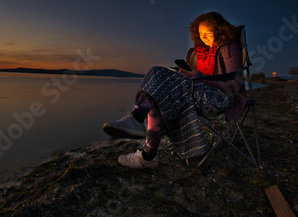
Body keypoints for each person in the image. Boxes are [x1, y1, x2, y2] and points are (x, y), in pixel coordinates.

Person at [103, 12, 248, 169]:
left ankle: (139, 124)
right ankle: (147, 152)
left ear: (219, 29)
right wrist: (186, 74)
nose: (203, 36)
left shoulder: (228, 47)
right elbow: (200, 78)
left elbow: (234, 81)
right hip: (199, 93)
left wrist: (196, 76)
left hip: (220, 99)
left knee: (160, 78)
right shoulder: (203, 53)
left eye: (208, 32)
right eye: (200, 33)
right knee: (158, 81)